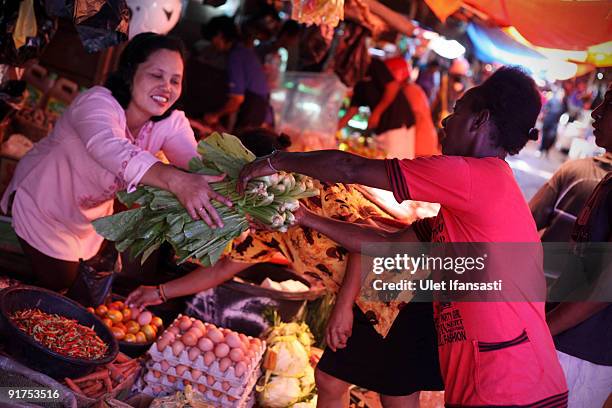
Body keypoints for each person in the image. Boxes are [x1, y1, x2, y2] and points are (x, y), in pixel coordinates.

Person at [239, 66, 569, 407]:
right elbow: (385, 246)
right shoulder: (476, 197)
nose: (444, 122)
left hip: (508, 385)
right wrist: (307, 217)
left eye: (456, 111)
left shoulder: (471, 176)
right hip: (511, 380)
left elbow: (352, 169)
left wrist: (278, 161)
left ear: (479, 121)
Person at [128, 128, 443, 408]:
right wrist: (159, 291)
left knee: (388, 391)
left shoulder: (318, 187)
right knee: (346, 383)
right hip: (371, 298)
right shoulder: (267, 221)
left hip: (401, 288)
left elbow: (365, 238)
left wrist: (342, 307)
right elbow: (222, 268)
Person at [0, 33, 232, 291]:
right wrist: (177, 181)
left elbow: (198, 166)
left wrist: (240, 197)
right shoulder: (97, 103)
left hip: (87, 221)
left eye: (175, 80)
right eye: (156, 75)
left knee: (77, 291)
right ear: (130, 72)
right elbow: (109, 147)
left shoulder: (170, 122)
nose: (167, 87)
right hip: (42, 205)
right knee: (59, 285)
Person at [546, 85, 612, 408]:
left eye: (609, 104)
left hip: (582, 350)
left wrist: (545, 329)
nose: (596, 112)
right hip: (568, 341)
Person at [202, 16, 273, 132]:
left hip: (254, 110)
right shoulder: (242, 51)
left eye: (212, 39)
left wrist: (215, 115)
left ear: (220, 35)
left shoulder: (235, 56)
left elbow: (236, 100)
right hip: (259, 109)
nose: (213, 44)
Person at [338, 58, 416, 159]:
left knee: (395, 165)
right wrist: (332, 131)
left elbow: (392, 87)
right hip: (382, 129)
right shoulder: (359, 82)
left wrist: (376, 113)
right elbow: (353, 109)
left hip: (398, 125)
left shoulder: (373, 64)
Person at [539, 86, 566, 156]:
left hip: (555, 123)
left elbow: (564, 112)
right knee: (544, 136)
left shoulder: (562, 104)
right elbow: (545, 107)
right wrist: (543, 114)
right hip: (548, 120)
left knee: (551, 137)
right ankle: (541, 149)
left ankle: (546, 150)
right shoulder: (552, 100)